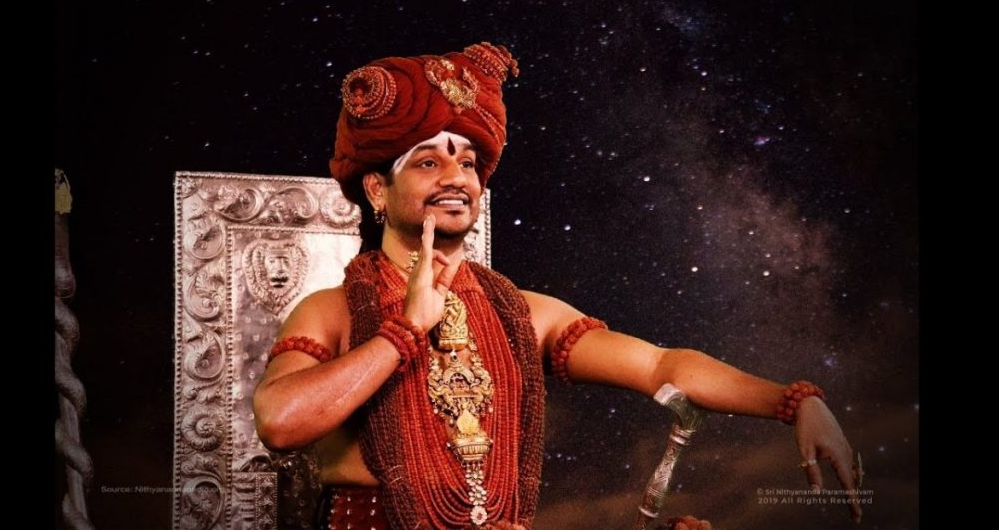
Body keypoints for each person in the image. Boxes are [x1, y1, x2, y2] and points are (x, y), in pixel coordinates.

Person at [253, 42, 863, 530]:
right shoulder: (333, 311)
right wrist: (404, 331)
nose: (456, 177)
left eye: (468, 162)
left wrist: (794, 402)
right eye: (429, 161)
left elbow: (661, 366)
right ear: (377, 190)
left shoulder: (523, 314)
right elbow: (279, 423)